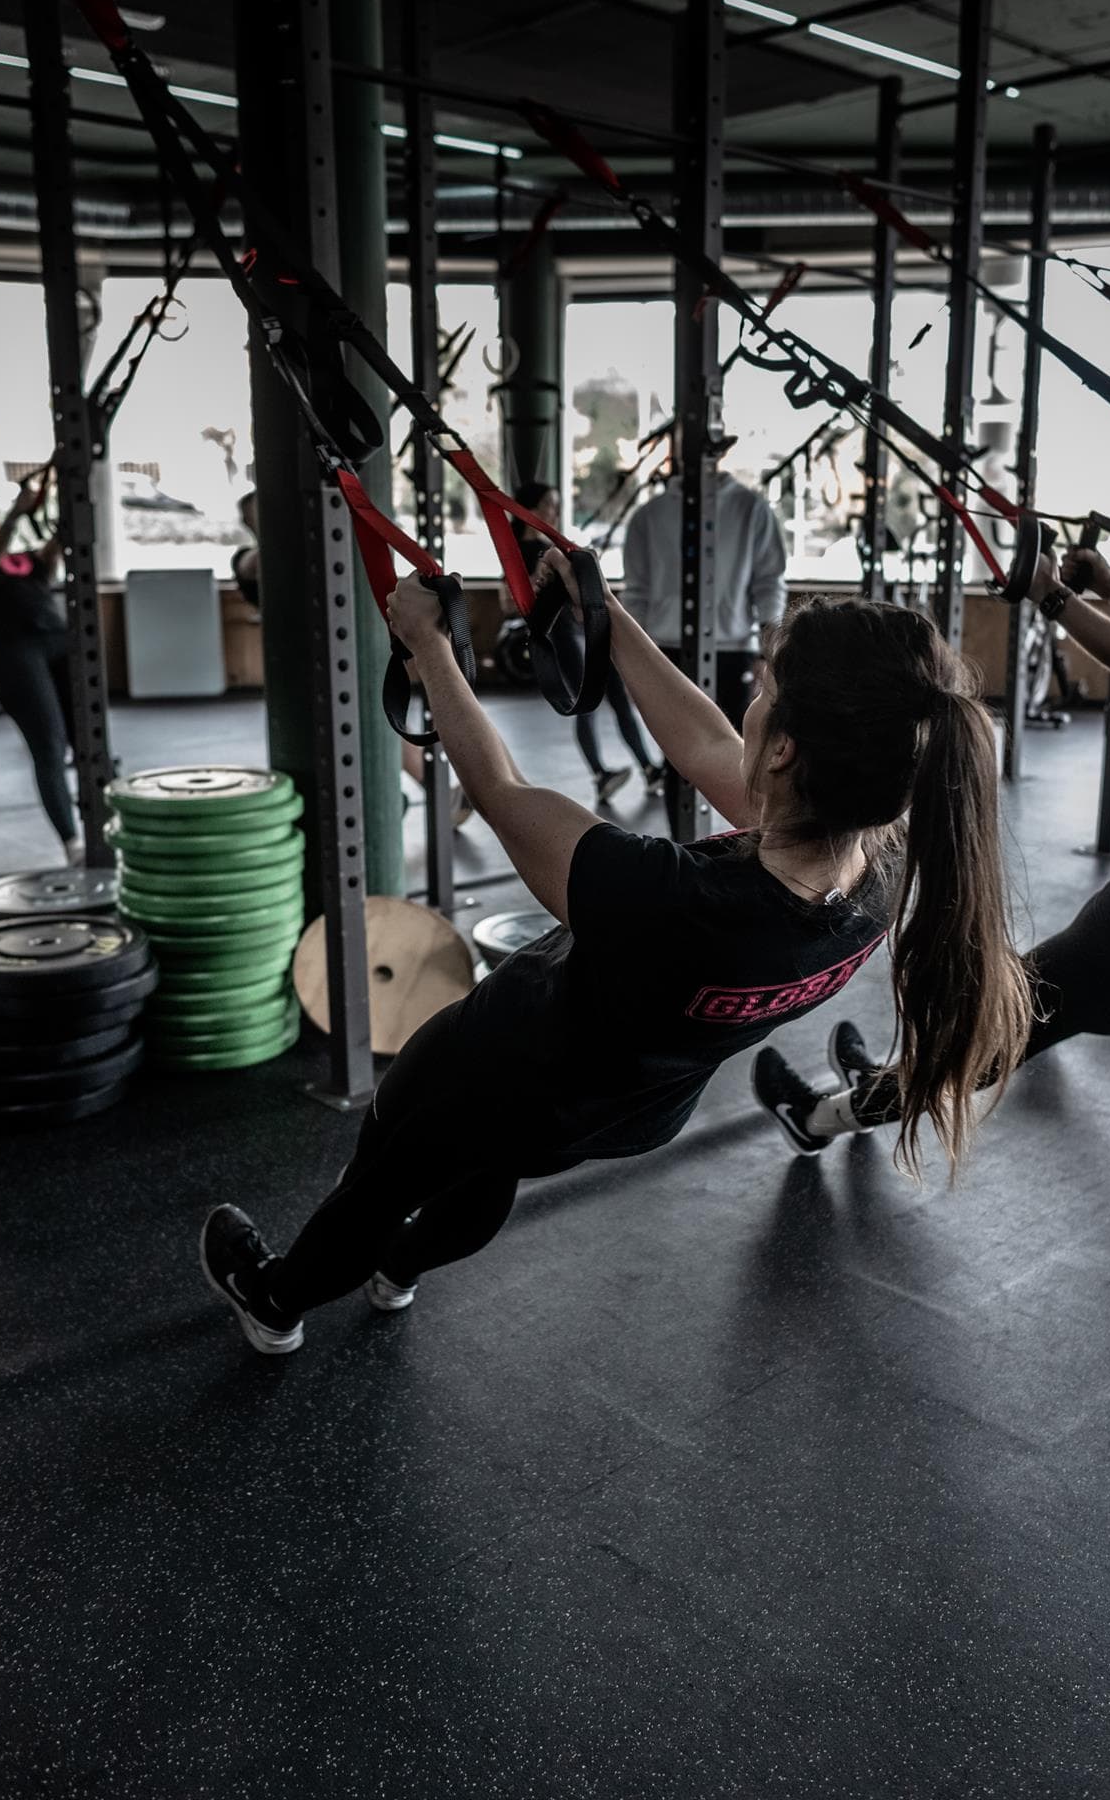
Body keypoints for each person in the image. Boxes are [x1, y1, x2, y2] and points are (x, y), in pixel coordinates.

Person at [199, 562, 1030, 1354]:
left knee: (380, 1186)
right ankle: (402, 1268)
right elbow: (707, 744)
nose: (748, 702)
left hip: (486, 1070)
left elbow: (501, 790)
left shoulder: (672, 903)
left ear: (785, 752)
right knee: (489, 1176)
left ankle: (278, 1302)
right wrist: (606, 617)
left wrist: (430, 653)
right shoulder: (876, 872)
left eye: (765, 690)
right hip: (619, 1111)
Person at [753, 542, 1110, 1155]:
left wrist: (1053, 596)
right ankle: (872, 1082)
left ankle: (822, 1118)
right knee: (996, 1015)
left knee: (984, 1037)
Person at [232, 485, 470, 826]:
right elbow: (253, 565)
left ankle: (420, 797)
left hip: (346, 655)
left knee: (380, 724)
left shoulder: (320, 551)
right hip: (300, 673)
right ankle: (405, 798)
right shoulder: (250, 559)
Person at [621, 435, 787, 838]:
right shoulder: (650, 515)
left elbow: (769, 583)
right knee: (679, 756)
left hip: (732, 648)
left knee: (739, 756)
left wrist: (768, 649)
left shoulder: (751, 508)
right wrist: (632, 659)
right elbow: (637, 593)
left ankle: (744, 849)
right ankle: (684, 845)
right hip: (666, 647)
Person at [498, 481, 664, 806]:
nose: (554, 512)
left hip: (583, 634)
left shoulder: (548, 548)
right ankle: (602, 774)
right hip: (561, 638)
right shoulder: (524, 552)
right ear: (530, 510)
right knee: (586, 705)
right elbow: (510, 602)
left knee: (617, 698)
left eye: (557, 505)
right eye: (549, 505)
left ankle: (647, 767)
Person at [0, 476, 81, 863]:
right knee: (50, 747)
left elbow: (51, 556)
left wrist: (68, 500)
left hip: (60, 643)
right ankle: (72, 844)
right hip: (17, 656)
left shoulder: (20, 558)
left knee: (91, 743)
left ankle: (106, 827)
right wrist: (16, 515)